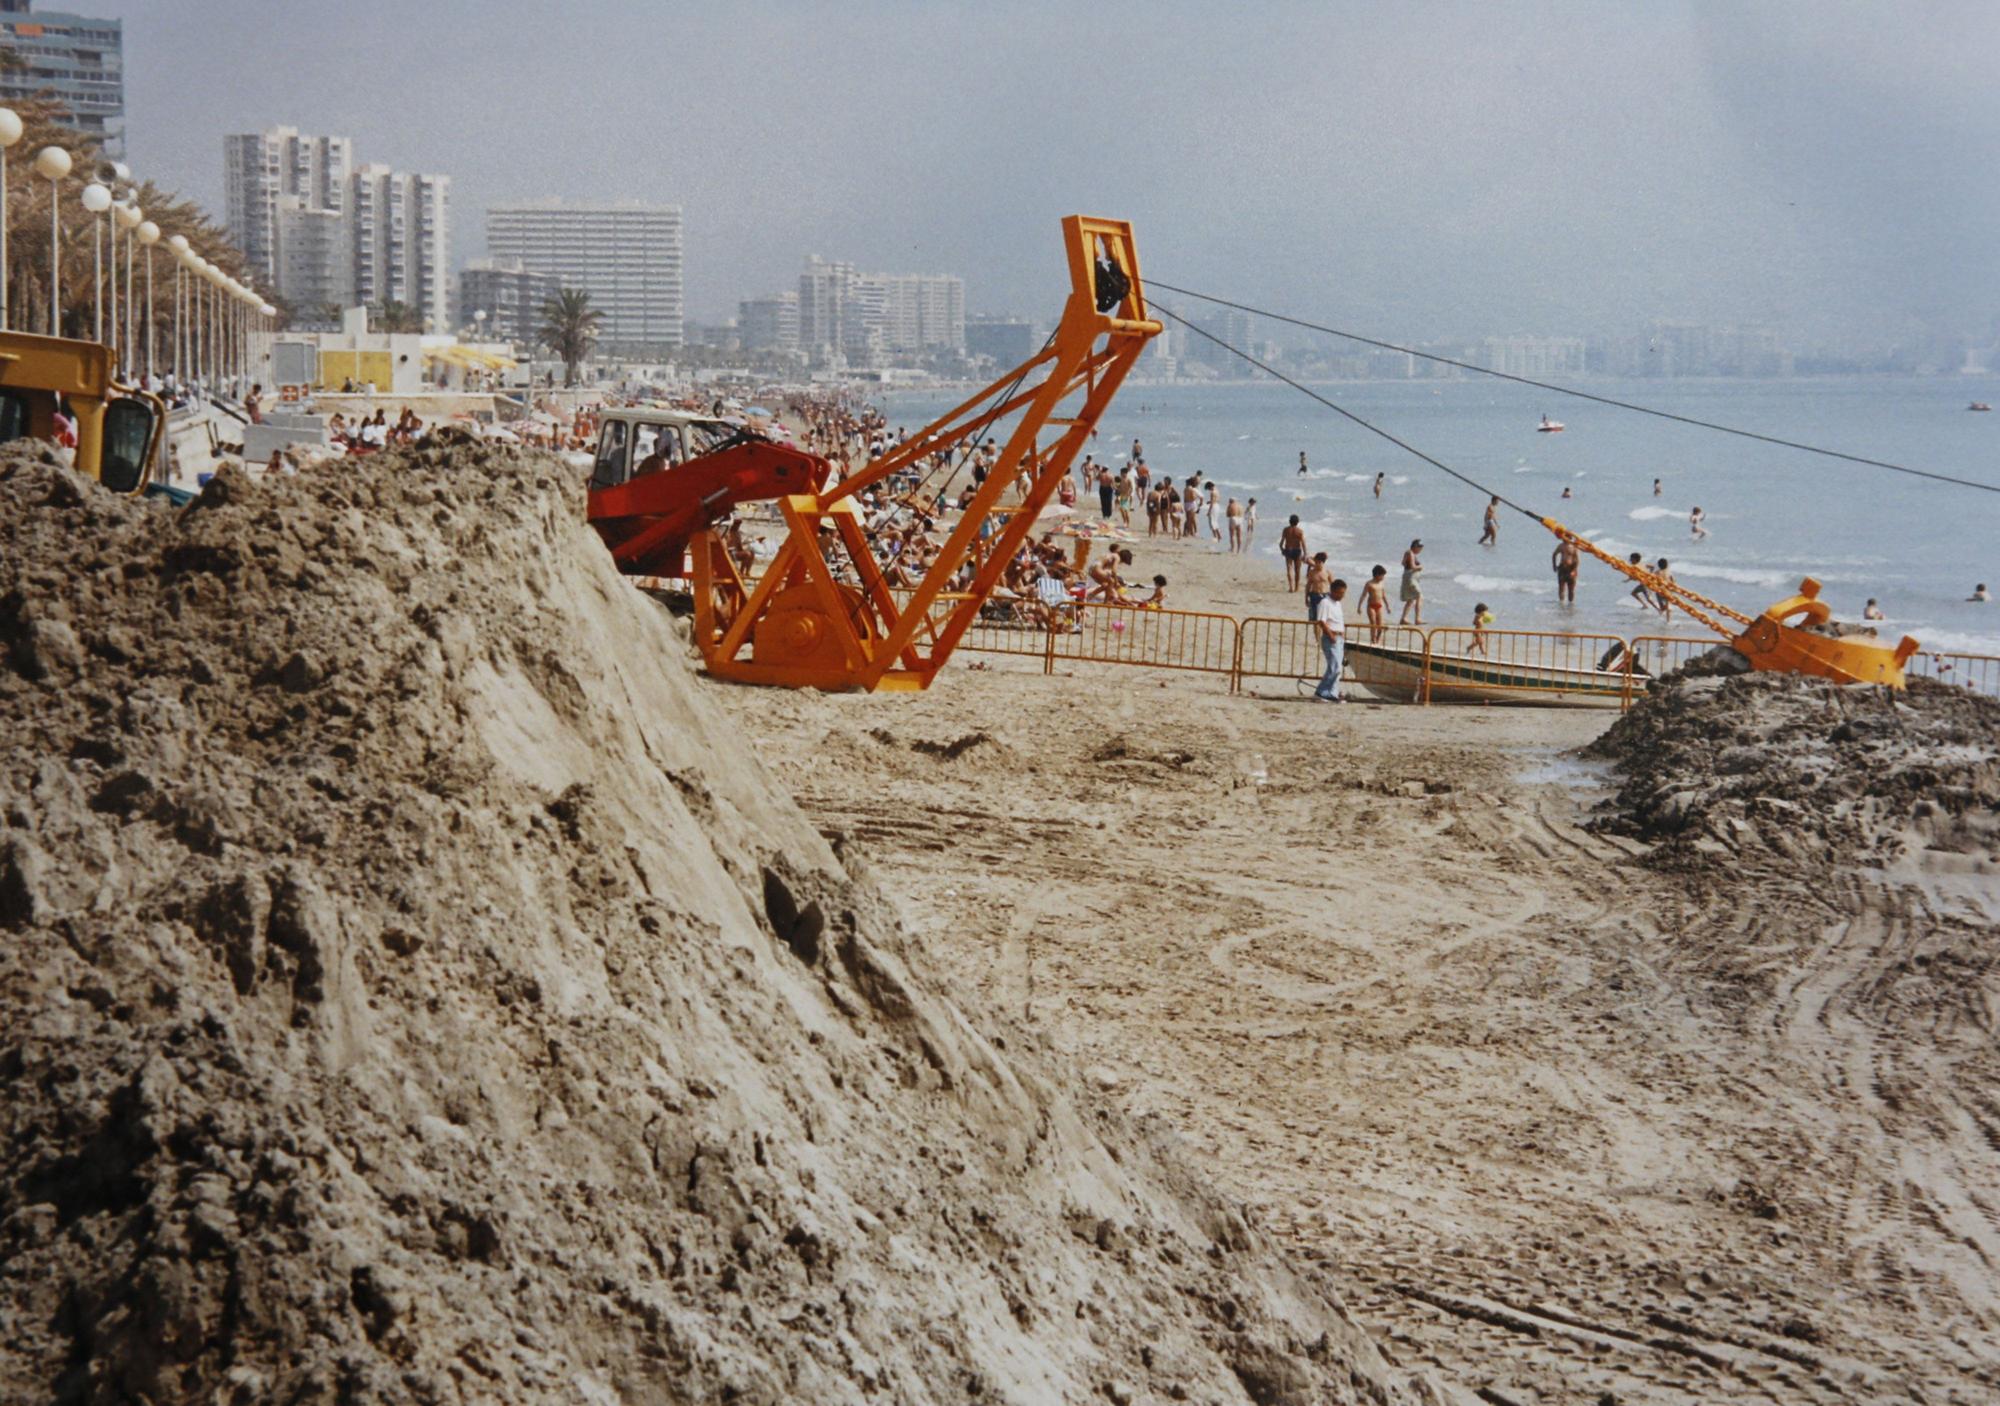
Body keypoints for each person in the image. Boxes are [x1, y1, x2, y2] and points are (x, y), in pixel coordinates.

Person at [1313, 578, 1348, 702]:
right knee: (1335, 667)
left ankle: (1332, 692)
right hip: (1330, 637)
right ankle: (1322, 691)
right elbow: (1321, 621)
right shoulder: (1325, 602)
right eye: (1339, 593)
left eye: (1343, 593)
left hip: (1339, 637)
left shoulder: (1337, 604)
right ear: (1333, 590)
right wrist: (1330, 635)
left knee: (1337, 668)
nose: (1341, 596)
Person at [1398, 539, 1424, 625]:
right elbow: (1412, 566)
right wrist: (1419, 567)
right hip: (1410, 577)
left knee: (1411, 599)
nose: (1420, 550)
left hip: (1408, 576)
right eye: (1420, 548)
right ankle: (1417, 619)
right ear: (1416, 547)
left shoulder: (1408, 553)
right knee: (1419, 596)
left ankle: (1404, 618)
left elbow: (1403, 563)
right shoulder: (1410, 553)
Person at [1361, 564, 1390, 641]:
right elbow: (1363, 595)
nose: (1383, 577)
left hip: (1379, 606)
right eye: (1382, 575)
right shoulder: (1369, 583)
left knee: (1380, 626)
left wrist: (1388, 606)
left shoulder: (1381, 584)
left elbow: (1384, 596)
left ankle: (1377, 640)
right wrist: (1359, 606)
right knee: (1373, 623)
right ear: (1377, 575)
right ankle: (1373, 640)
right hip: (1371, 606)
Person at [1280, 515, 1307, 591]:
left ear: (1289, 521)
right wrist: (1305, 554)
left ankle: (1291, 587)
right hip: (1297, 551)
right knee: (1297, 570)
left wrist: (1282, 550)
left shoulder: (1285, 530)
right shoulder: (1300, 531)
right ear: (1297, 522)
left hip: (1288, 550)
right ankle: (1297, 587)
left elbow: (1281, 543)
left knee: (1289, 569)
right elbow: (1303, 544)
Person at [1304, 551, 1331, 621]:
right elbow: (1308, 586)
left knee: (1325, 618)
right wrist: (1306, 598)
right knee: (1315, 618)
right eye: (1316, 562)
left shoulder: (1327, 572)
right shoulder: (1312, 572)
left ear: (1323, 562)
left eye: (1319, 563)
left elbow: (1333, 585)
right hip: (1314, 595)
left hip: (1325, 596)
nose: (1317, 564)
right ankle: (1316, 632)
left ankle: (1323, 631)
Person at [1552, 537, 1580, 605]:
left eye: (1565, 537)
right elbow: (1554, 554)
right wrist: (1554, 565)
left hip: (1571, 568)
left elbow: (1577, 560)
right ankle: (1561, 604)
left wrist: (1574, 570)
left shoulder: (1574, 546)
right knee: (1561, 587)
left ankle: (1571, 605)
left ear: (1569, 538)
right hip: (1562, 568)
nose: (1563, 538)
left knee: (1571, 589)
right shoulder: (1561, 546)